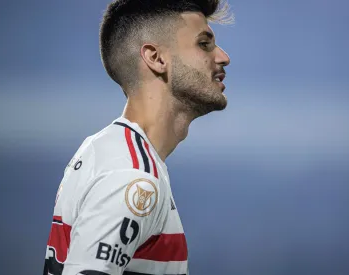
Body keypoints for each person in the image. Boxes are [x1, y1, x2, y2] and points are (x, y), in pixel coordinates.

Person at [43, 0, 232, 274]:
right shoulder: (133, 177)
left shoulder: (104, 148)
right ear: (156, 58)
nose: (223, 56)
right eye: (204, 43)